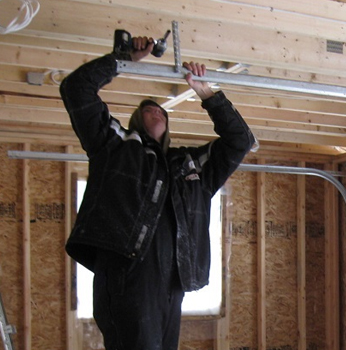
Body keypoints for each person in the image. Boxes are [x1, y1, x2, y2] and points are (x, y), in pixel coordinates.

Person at [60, 34, 257, 350]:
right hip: (129, 275)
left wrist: (207, 94)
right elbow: (75, 89)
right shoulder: (116, 147)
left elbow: (240, 141)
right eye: (149, 110)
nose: (158, 112)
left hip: (173, 282)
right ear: (136, 120)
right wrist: (123, 58)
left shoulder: (188, 165)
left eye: (162, 111)